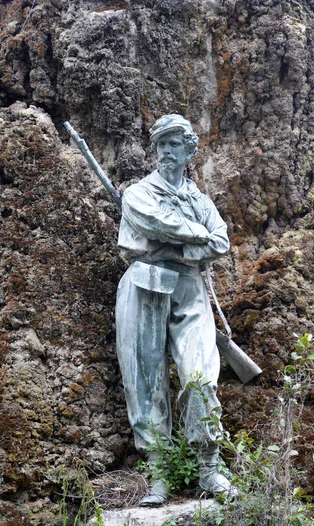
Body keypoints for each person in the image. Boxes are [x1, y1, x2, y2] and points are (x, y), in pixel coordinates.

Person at [115, 114, 237, 505]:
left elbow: (221, 242)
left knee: (200, 376)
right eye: (160, 144)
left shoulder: (202, 201)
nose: (166, 151)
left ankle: (209, 467)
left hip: (189, 286)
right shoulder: (139, 193)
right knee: (145, 382)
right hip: (144, 283)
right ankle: (159, 472)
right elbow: (152, 221)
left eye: (173, 143)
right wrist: (192, 237)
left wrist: (175, 244)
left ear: (189, 150)